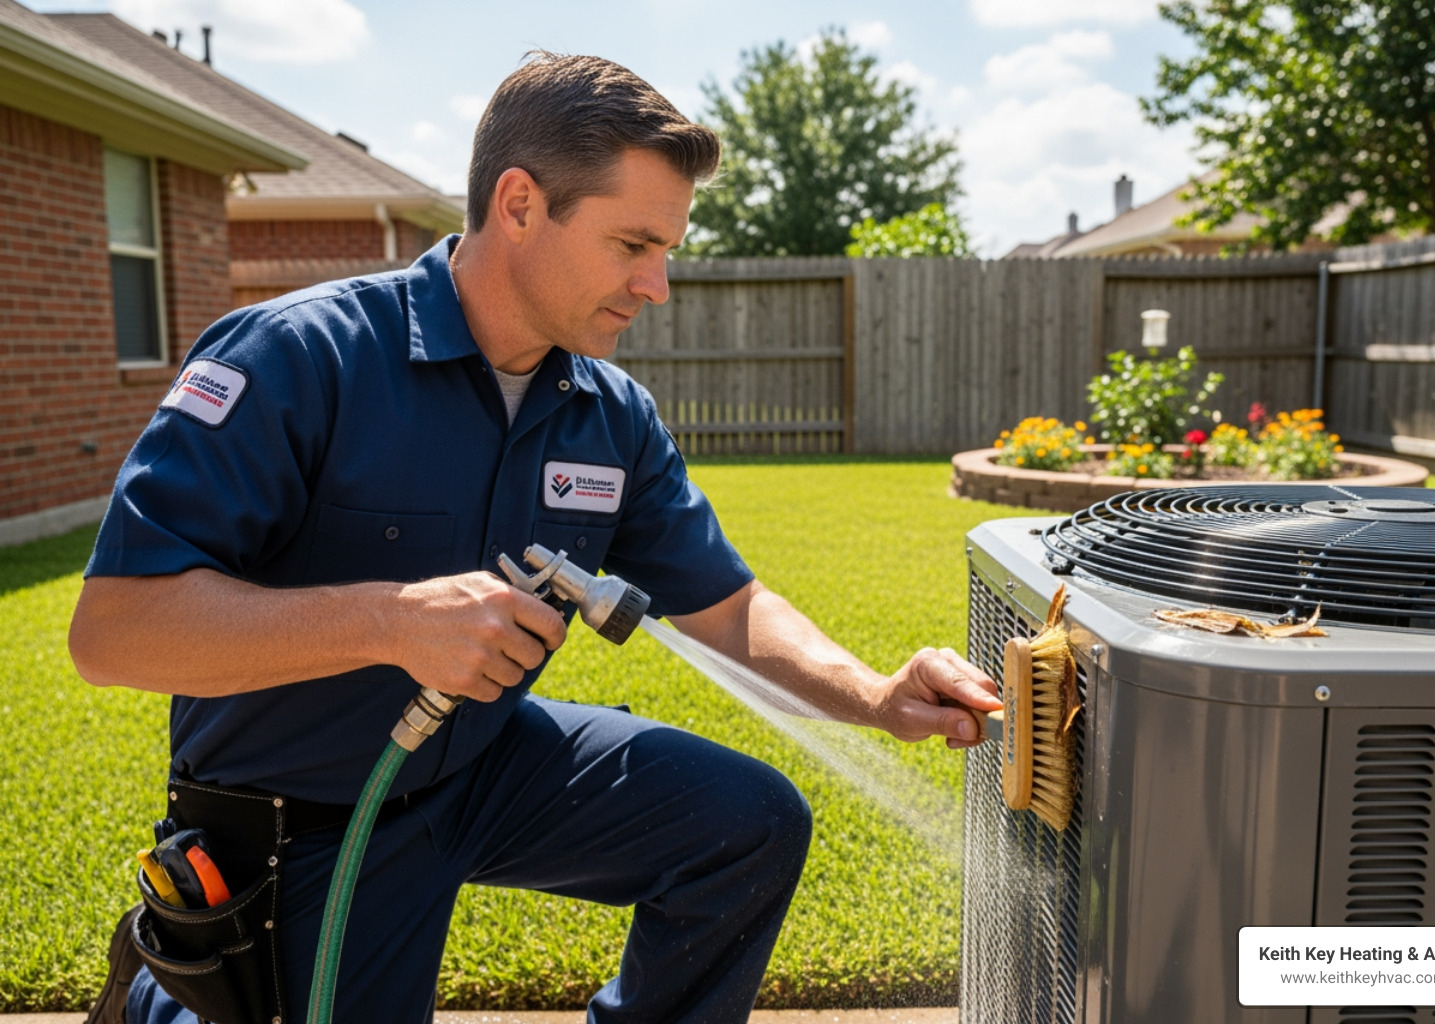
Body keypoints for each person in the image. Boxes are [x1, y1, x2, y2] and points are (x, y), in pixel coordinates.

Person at [70, 53, 1000, 1024]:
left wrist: (877, 695)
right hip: (300, 829)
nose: (658, 285)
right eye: (632, 244)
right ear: (518, 203)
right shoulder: (301, 358)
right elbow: (115, 630)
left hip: (486, 766)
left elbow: (727, 605)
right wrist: (390, 619)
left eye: (667, 249)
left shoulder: (608, 415)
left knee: (746, 824)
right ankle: (154, 994)